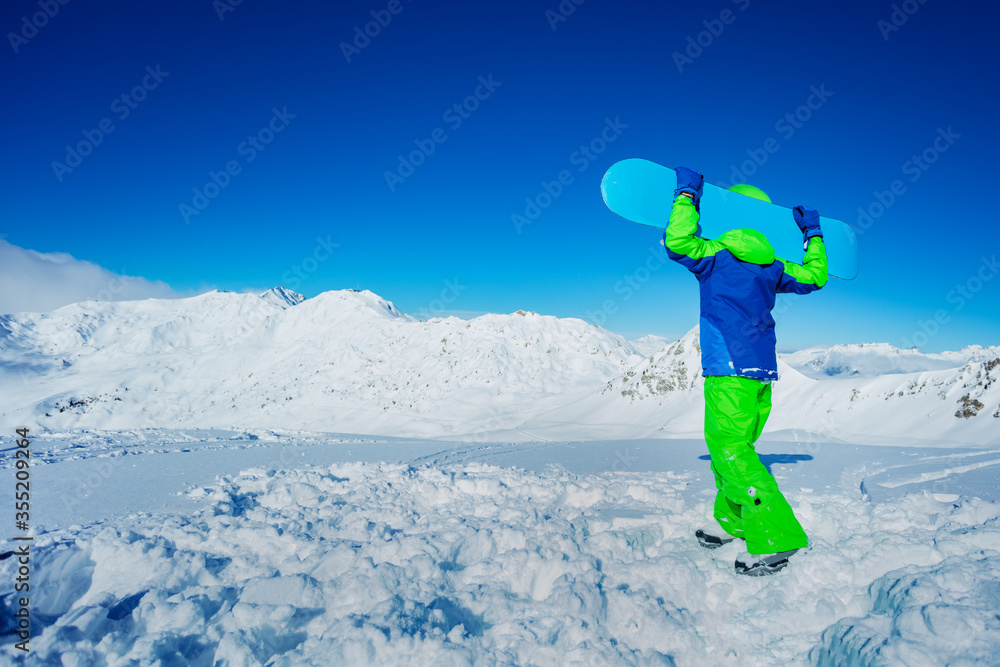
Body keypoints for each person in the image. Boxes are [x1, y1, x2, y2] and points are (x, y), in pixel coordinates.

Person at [663, 165, 828, 576]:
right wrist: (813, 235)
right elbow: (815, 277)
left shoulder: (716, 255)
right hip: (761, 372)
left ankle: (776, 538)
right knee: (734, 447)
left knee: (731, 451)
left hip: (728, 369)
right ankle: (734, 520)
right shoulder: (771, 266)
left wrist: (687, 195)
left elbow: (677, 240)